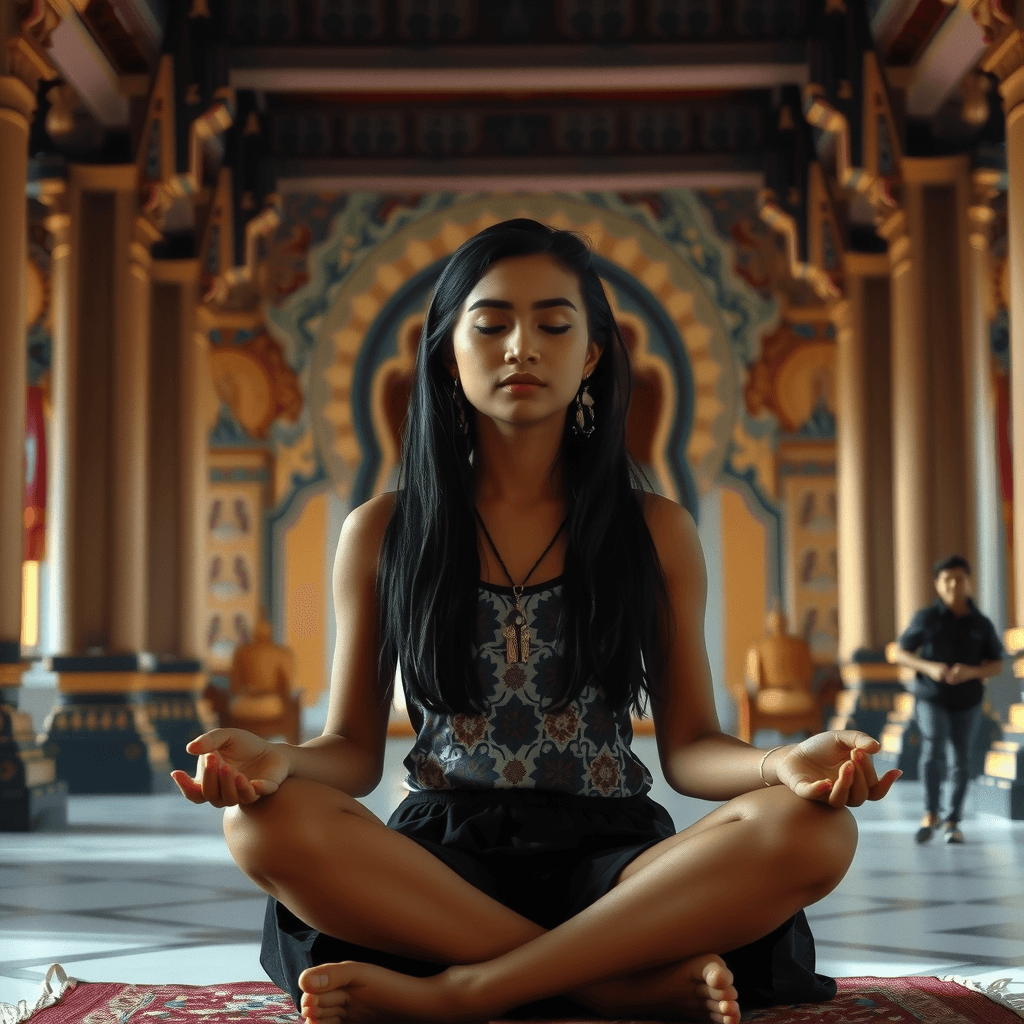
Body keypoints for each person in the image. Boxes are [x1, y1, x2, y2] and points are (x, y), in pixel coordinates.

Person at [172, 219, 900, 1024]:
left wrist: (785, 763)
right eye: (491, 326)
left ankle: (469, 990)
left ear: (591, 356)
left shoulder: (653, 531)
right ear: (448, 352)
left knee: (816, 834)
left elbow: (691, 748)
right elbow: (348, 754)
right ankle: (615, 982)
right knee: (262, 830)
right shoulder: (384, 532)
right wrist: (272, 761)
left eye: (554, 325)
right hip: (441, 865)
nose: (522, 347)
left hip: (615, 859)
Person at [891, 555, 1004, 845]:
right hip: (931, 697)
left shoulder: (980, 622)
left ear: (968, 582)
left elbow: (996, 663)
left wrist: (972, 672)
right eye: (947, 579)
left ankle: (953, 821)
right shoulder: (926, 618)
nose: (954, 584)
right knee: (933, 748)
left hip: (968, 700)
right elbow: (899, 652)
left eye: (959, 579)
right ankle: (931, 813)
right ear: (937, 585)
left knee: (961, 759)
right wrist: (930, 668)